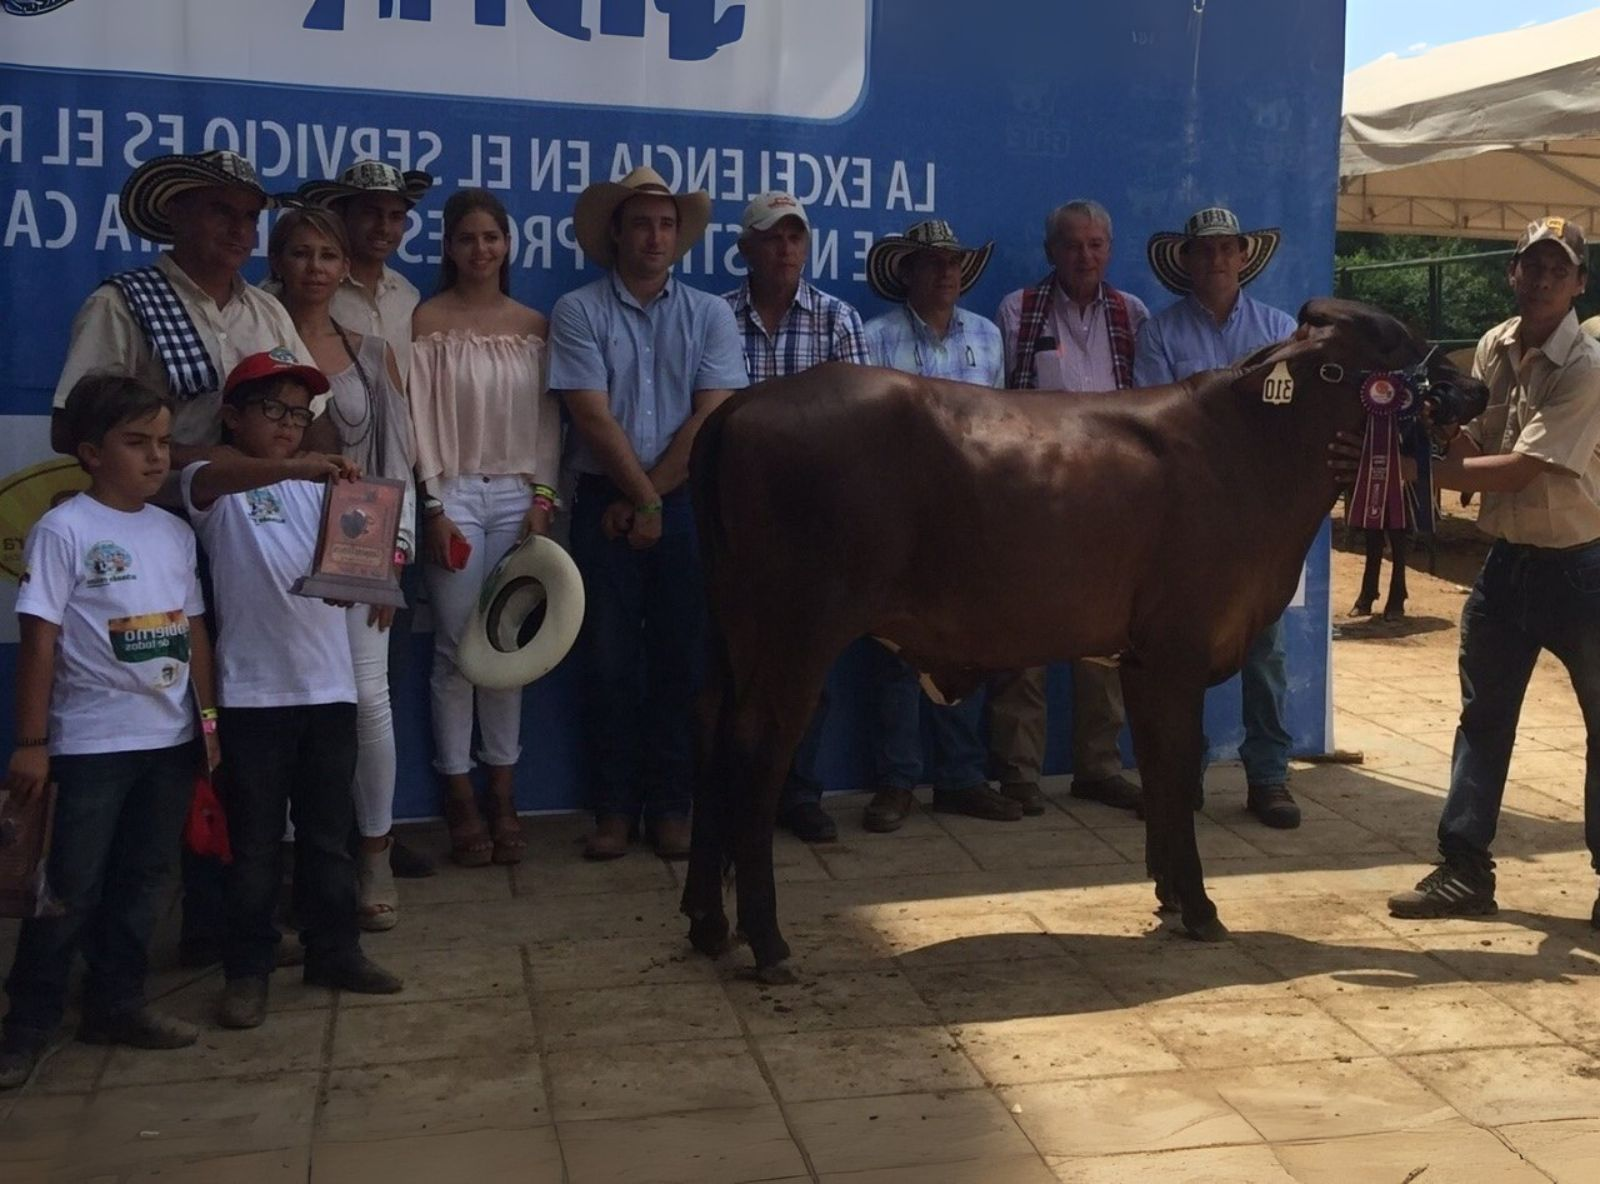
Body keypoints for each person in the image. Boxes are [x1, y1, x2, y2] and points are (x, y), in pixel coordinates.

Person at [50, 149, 313, 967]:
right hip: (157, 539)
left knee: (233, 729)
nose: (240, 229)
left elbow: (301, 415)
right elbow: (70, 426)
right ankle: (116, 939)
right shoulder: (126, 301)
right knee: (162, 729)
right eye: (221, 212)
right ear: (177, 216)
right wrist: (198, 458)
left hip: (256, 540)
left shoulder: (267, 312)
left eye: (250, 216)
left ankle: (223, 916)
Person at [0, 375, 218, 1088]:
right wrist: (32, 743)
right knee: (68, 887)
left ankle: (116, 1004)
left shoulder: (174, 533)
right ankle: (27, 1025)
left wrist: (208, 721)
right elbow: (39, 641)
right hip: (91, 744)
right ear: (92, 453)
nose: (156, 458)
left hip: (168, 740)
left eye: (163, 442)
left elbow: (193, 631)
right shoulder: (65, 529)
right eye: (136, 443)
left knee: (143, 882)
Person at [1379, 217, 1600, 921]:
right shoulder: (1494, 343)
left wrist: (1415, 471)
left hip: (1583, 569)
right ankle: (1464, 870)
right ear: (1512, 272)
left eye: (1557, 270)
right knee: (1483, 719)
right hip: (1506, 566)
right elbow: (1479, 445)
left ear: (1579, 284)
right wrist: (1440, 425)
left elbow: (1520, 470)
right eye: (1531, 266)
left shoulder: (1587, 366)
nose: (1542, 281)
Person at [183, 351, 403, 1029]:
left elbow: (357, 558)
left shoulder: (323, 490)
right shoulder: (215, 485)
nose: (287, 424)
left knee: (328, 836)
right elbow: (207, 478)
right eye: (271, 409)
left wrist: (368, 576)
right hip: (253, 695)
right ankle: (247, 970)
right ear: (232, 417)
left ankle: (334, 950)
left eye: (299, 414)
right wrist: (300, 466)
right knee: (254, 846)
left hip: (329, 688)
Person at [549, 166, 748, 861]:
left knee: (681, 662)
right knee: (606, 664)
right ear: (617, 233)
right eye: (641, 224)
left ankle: (670, 807)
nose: (655, 237)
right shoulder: (578, 311)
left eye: (666, 225)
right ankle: (612, 812)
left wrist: (649, 500)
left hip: (683, 503)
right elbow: (591, 418)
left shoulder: (710, 314)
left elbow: (710, 418)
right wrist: (641, 499)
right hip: (603, 500)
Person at [268, 207, 418, 929]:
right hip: (265, 550)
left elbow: (397, 461)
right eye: (301, 253)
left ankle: (374, 852)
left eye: (328, 254)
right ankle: (288, 865)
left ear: (344, 265)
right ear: (277, 261)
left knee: (366, 700)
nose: (315, 267)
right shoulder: (251, 342)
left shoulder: (371, 352)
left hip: (358, 547)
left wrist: (395, 555)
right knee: (279, 709)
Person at [1134, 205, 1302, 830]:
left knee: (1266, 649)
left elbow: (1292, 421)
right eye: (1204, 249)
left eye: (1227, 248)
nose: (1216, 259)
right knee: (1185, 650)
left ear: (1243, 256)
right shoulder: (1159, 332)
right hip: (1188, 519)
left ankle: (1270, 777)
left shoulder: (1280, 330)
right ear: (1186, 259)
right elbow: (1157, 422)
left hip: (1261, 519)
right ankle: (1185, 778)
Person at [411, 189, 559, 868]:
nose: (481, 250)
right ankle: (459, 794)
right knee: (454, 649)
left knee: (505, 647)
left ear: (507, 245)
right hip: (454, 494)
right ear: (448, 246)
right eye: (467, 238)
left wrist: (543, 497)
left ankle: (503, 791)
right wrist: (432, 506)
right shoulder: (426, 321)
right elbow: (419, 420)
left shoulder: (533, 325)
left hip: (518, 495)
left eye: (491, 237)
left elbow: (549, 420)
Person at [858, 219, 1019, 831]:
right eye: (931, 263)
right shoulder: (873, 338)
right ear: (908, 273)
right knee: (895, 651)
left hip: (971, 516)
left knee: (964, 646)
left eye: (953, 262)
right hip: (896, 516)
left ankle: (961, 778)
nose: (946, 272)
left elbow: (1002, 425)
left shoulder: (987, 335)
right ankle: (896, 782)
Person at [990, 199, 1149, 818]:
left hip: (1112, 499)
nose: (1085, 256)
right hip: (1035, 497)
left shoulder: (1132, 314)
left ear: (1109, 249)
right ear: (1050, 251)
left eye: (1095, 244)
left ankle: (1099, 768)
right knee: (1022, 634)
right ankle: (1019, 772)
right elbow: (999, 404)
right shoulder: (1018, 310)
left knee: (1105, 638)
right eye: (1072, 245)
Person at [721, 191, 870, 843]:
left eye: (794, 237)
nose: (785, 248)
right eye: (772, 237)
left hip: (818, 514)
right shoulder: (716, 318)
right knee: (736, 658)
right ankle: (740, 791)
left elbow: (863, 430)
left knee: (813, 659)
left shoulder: (838, 319)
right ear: (745, 248)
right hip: (739, 512)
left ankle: (800, 792)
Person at [295, 160, 433, 384]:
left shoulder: (407, 295)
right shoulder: (308, 290)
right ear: (340, 214)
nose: (384, 227)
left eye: (395, 216)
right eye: (371, 213)